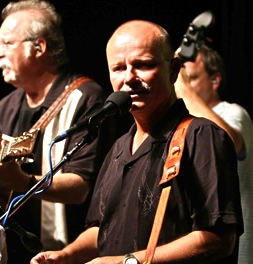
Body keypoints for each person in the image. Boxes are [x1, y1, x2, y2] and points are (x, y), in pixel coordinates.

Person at [31, 20, 243, 264]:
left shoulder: (202, 136)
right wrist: (66, 255)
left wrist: (125, 262)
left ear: (174, 70)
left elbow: (217, 240)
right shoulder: (119, 148)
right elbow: (102, 229)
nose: (129, 78)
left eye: (143, 65)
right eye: (118, 68)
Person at [0, 0, 114, 262]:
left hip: (69, 253)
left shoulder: (86, 98)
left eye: (6, 43)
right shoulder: (9, 104)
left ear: (39, 47)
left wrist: (22, 182)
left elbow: (80, 187)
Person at [176, 46, 253, 263]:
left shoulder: (232, 113)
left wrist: (184, 91)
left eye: (191, 78)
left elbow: (229, 141)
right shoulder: (184, 124)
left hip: (239, 248)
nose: (183, 85)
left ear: (214, 80)